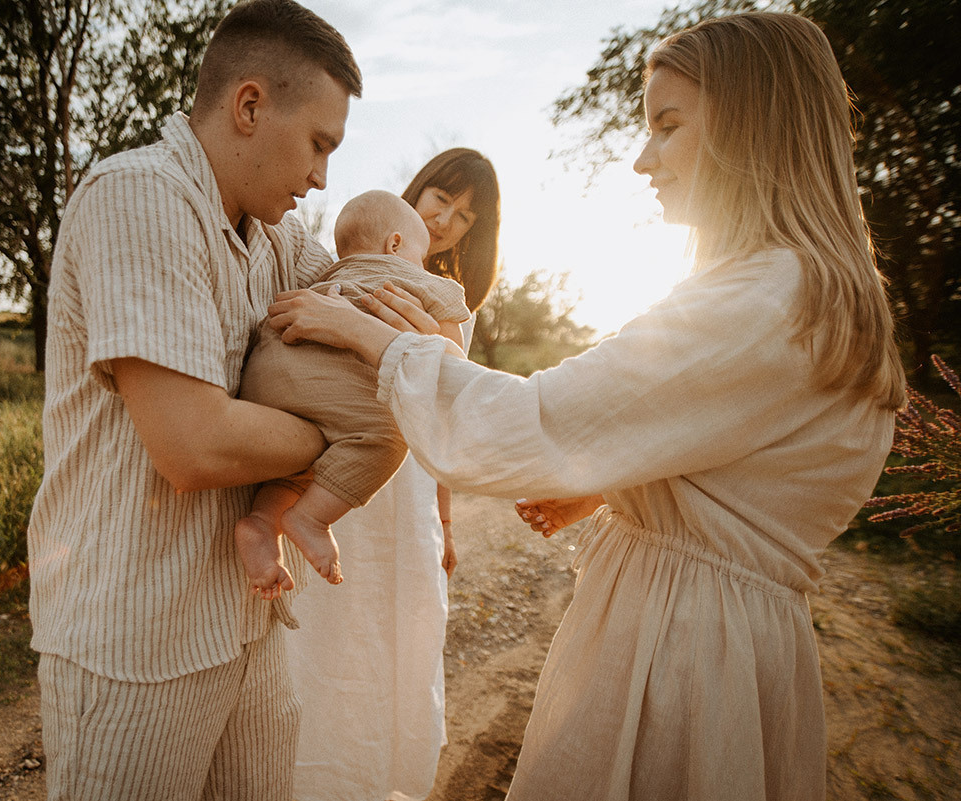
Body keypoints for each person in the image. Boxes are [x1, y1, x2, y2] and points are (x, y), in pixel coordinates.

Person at [267, 12, 904, 801]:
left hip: (678, 652)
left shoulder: (767, 296)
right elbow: (749, 468)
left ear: (753, 125)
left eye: (667, 127)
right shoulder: (812, 294)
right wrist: (624, 484)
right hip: (734, 640)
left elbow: (535, 420)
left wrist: (376, 337)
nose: (642, 160)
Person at [24, 1, 362, 798]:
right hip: (132, 641)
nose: (322, 177)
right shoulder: (139, 197)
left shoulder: (277, 238)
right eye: (319, 143)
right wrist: (344, 435)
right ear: (250, 105)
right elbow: (193, 445)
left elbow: (373, 299)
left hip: (244, 623)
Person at [285, 150, 501, 801]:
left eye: (466, 216)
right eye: (442, 198)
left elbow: (447, 421)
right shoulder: (346, 272)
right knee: (330, 635)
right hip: (344, 473)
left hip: (405, 487)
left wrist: (445, 520)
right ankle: (317, 775)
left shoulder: (450, 302)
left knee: (401, 633)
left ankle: (382, 780)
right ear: (413, 200)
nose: (449, 220)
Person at [235, 189, 469, 597]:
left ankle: (260, 522)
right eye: (419, 255)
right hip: (331, 393)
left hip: (262, 374)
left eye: (465, 215)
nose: (448, 219)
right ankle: (309, 519)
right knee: (387, 436)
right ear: (395, 244)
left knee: (309, 461)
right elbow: (455, 368)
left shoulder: (328, 274)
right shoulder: (423, 282)